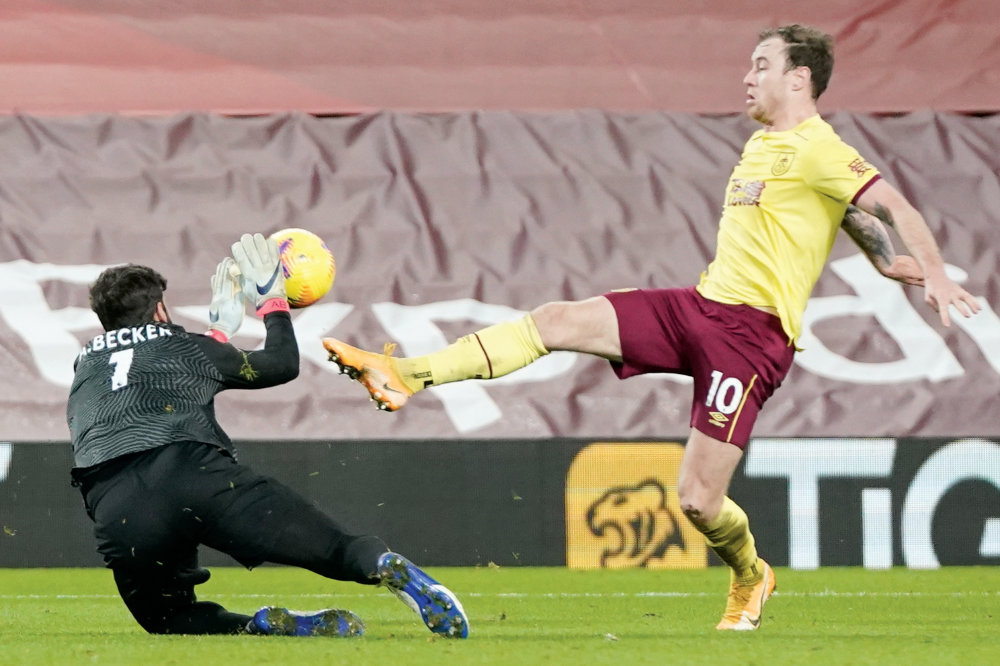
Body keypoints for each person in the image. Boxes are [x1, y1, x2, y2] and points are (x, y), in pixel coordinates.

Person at [320, 24, 981, 631]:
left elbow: (886, 202)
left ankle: (751, 573)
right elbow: (854, 217)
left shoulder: (820, 148)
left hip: (749, 341)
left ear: (798, 79)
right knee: (555, 321)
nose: (747, 77)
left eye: (761, 66)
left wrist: (934, 271)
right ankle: (407, 372)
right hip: (697, 307)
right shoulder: (764, 145)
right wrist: (880, 257)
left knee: (696, 501)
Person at [67, 233, 470, 638]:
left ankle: (262, 627)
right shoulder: (188, 347)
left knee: (167, 619)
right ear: (160, 309)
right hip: (198, 478)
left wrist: (217, 335)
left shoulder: (83, 364)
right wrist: (271, 302)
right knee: (336, 549)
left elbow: (147, 373)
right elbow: (280, 363)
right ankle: (382, 565)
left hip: (119, 505)